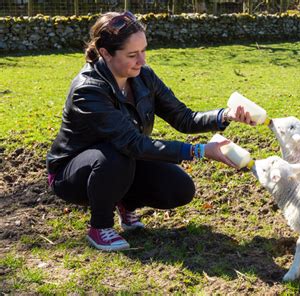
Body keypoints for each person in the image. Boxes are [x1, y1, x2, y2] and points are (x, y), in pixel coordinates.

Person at [46, 11, 255, 252]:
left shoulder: (144, 76)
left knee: (179, 188)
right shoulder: (89, 90)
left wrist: (225, 114)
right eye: (132, 55)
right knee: (115, 155)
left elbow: (184, 118)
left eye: (144, 51)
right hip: (74, 175)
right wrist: (200, 151)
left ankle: (127, 203)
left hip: (124, 161)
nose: (142, 61)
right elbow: (132, 143)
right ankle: (100, 227)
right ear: (105, 53)